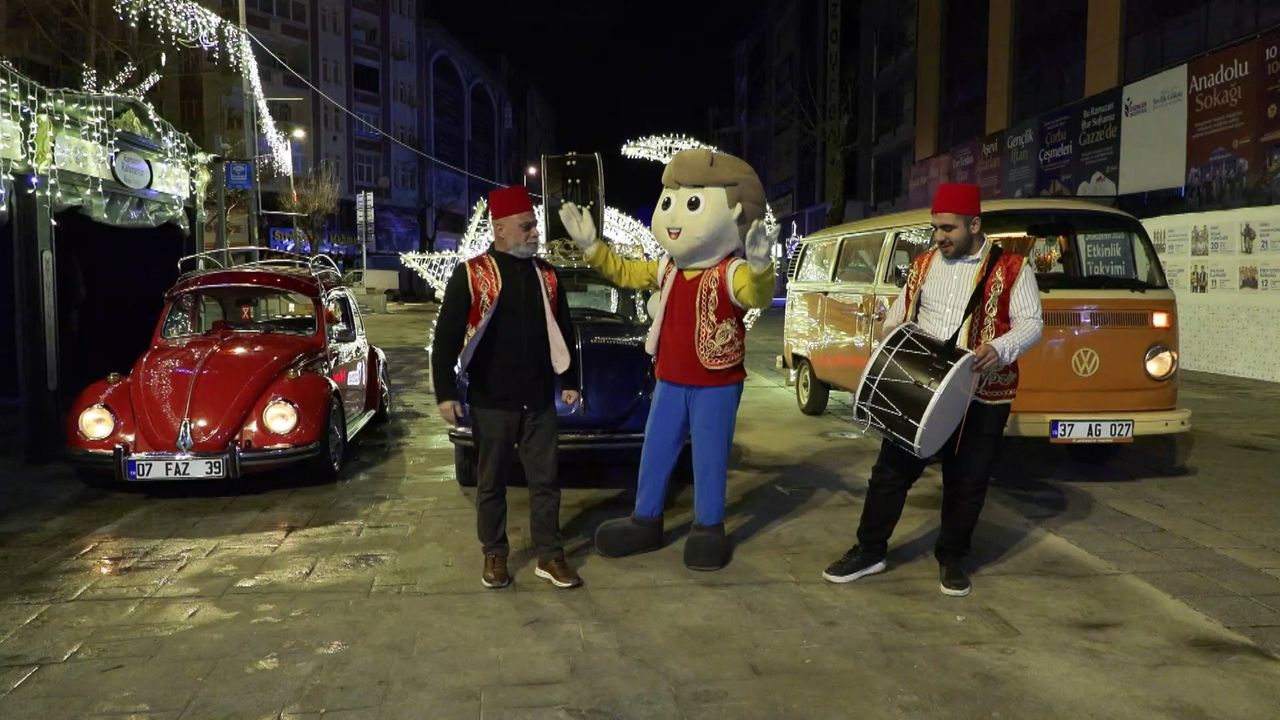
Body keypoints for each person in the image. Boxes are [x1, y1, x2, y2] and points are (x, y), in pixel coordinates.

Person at [558, 148, 776, 571]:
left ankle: (708, 527)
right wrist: (593, 247)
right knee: (656, 450)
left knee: (709, 457)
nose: (674, 216)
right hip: (670, 379)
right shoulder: (668, 269)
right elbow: (624, 273)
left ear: (736, 214)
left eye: (692, 203)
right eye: (669, 201)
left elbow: (756, 295)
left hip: (716, 382)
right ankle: (646, 518)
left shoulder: (730, 272)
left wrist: (760, 266)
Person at [823, 183, 1044, 597]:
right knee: (890, 473)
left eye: (948, 228)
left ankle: (953, 557)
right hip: (921, 387)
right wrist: (890, 337)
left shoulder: (1014, 268)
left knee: (967, 480)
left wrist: (1000, 349)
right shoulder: (923, 265)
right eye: (935, 228)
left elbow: (1032, 323)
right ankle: (870, 550)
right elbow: (898, 317)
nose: (939, 236)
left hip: (982, 393)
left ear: (974, 225)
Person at [432, 185, 583, 590]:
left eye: (534, 226)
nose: (535, 233)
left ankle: (550, 555)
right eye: (526, 226)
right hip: (491, 400)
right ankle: (495, 553)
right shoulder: (472, 274)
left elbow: (564, 329)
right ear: (499, 229)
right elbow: (446, 339)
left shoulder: (547, 275)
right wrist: (446, 393)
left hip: (539, 400)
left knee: (546, 482)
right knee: (491, 483)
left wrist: (570, 380)